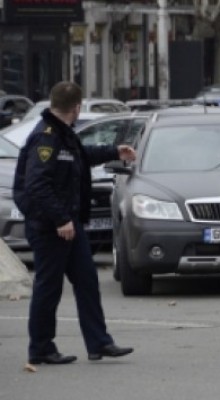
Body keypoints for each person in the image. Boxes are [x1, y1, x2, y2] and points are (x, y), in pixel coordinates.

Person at [13, 81, 136, 365]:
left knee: (87, 281)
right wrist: (60, 219)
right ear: (77, 108)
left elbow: (81, 156)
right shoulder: (46, 137)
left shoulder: (62, 133)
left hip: (69, 224)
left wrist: (115, 151)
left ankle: (99, 343)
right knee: (49, 287)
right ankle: (41, 348)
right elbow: (37, 185)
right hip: (50, 227)